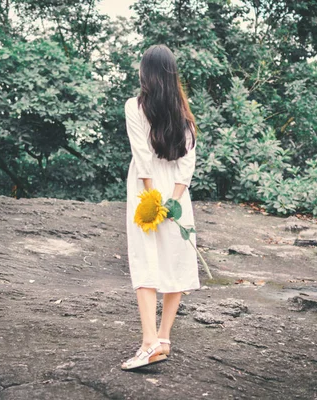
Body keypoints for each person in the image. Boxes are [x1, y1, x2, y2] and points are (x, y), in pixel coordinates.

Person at [121, 44, 200, 371]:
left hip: (146, 194)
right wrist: (174, 201)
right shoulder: (183, 111)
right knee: (174, 263)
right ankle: (163, 339)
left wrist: (154, 201)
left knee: (146, 263)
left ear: (146, 73)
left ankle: (150, 343)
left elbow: (142, 159)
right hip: (176, 196)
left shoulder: (133, 107)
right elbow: (188, 162)